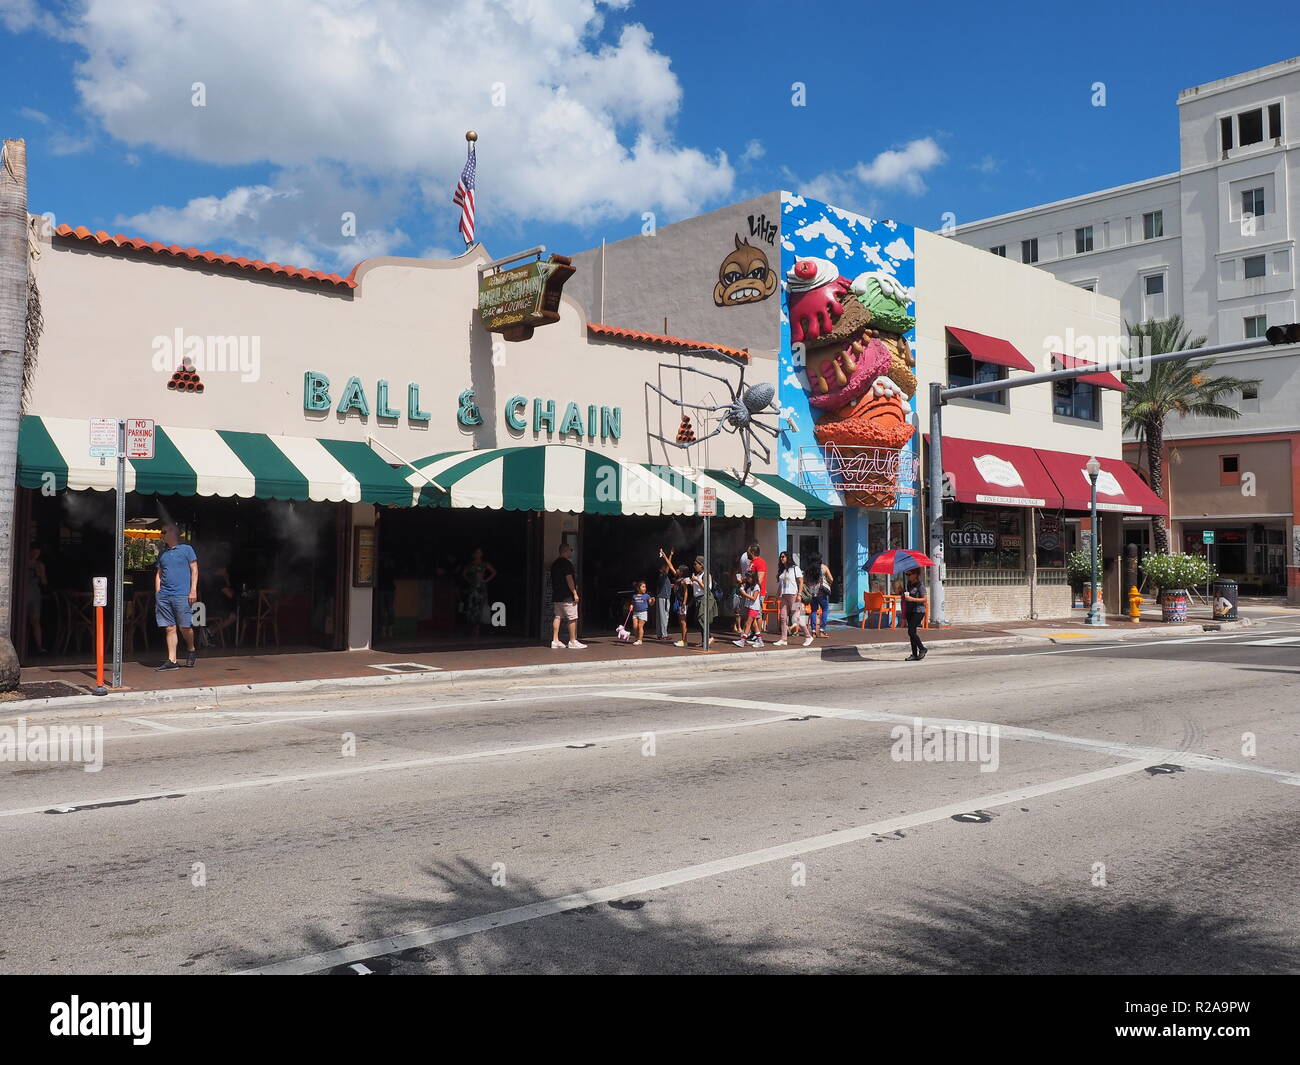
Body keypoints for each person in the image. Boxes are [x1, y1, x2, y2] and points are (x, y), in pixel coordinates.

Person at [155, 523, 199, 670]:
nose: (162, 534)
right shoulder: (163, 553)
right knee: (169, 627)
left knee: (185, 626)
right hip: (165, 595)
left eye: (164, 531)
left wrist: (193, 590)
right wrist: (158, 592)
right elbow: (159, 573)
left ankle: (191, 649)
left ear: (173, 533)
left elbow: (194, 570)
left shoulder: (187, 549)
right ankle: (172, 660)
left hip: (182, 594)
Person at [549, 542, 585, 649]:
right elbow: (569, 579)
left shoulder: (554, 564)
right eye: (571, 550)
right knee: (572, 617)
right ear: (566, 551)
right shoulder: (567, 564)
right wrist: (574, 593)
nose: (572, 552)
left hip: (557, 594)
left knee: (558, 616)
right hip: (567, 595)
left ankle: (555, 640)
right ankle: (573, 640)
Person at [462, 547, 498, 637]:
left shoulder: (484, 564)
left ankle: (478, 629)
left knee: (481, 606)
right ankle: (472, 628)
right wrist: (470, 580)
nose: (478, 554)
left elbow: (494, 572)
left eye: (480, 552)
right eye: (477, 553)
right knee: (472, 607)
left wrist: (485, 580)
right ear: (473, 555)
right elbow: (464, 573)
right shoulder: (471, 565)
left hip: (481, 587)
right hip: (473, 587)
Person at [773, 550, 804, 647]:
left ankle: (808, 636)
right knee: (782, 618)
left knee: (796, 617)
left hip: (794, 595)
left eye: (783, 556)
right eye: (781, 557)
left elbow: (801, 582)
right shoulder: (783, 570)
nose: (782, 558)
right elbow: (780, 586)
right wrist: (776, 597)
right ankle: (783, 639)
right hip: (784, 596)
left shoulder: (795, 568)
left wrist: (799, 594)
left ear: (788, 557)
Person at [804, 551, 833, 642]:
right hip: (821, 592)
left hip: (812, 593)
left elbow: (805, 580)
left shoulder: (807, 569)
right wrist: (828, 583)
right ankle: (822, 630)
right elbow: (831, 579)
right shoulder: (824, 568)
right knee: (825, 609)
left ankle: (813, 631)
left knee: (813, 610)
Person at [902, 569, 929, 661]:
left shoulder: (920, 585)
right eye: (907, 574)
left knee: (911, 631)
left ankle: (922, 648)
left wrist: (912, 599)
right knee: (912, 633)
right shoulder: (909, 584)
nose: (908, 576)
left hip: (918, 611)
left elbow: (925, 599)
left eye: (909, 574)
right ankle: (914, 654)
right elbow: (907, 597)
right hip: (910, 611)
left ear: (915, 574)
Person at [732, 571, 764, 648]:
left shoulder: (756, 587)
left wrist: (744, 594)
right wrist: (741, 588)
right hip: (749, 607)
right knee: (754, 625)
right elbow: (744, 594)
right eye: (747, 577)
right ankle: (760, 641)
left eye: (749, 578)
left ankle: (742, 641)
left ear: (753, 578)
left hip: (754, 608)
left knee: (748, 624)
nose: (748, 579)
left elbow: (754, 598)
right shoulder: (749, 586)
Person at [25, 545, 48, 654]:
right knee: (21, 620)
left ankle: (39, 647)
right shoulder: (22, 562)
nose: (34, 555)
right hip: (23, 593)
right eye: (33, 553)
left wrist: (40, 574)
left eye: (37, 554)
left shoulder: (39, 565)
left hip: (35, 594)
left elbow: (44, 583)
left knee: (35, 621)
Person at [655, 549, 677, 640]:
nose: (666, 568)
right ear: (661, 569)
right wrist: (669, 555)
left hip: (663, 597)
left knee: (661, 617)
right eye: (664, 567)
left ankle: (660, 634)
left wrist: (670, 586)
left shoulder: (663, 577)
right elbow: (669, 565)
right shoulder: (662, 575)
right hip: (663, 597)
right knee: (664, 616)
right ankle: (664, 635)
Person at [630, 580, 653, 646]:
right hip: (635, 612)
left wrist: (653, 601)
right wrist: (631, 606)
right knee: (635, 626)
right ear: (638, 588)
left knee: (640, 626)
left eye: (645, 587)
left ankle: (640, 640)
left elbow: (650, 603)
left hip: (643, 612)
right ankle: (637, 638)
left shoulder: (647, 596)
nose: (645, 588)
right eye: (643, 587)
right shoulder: (634, 596)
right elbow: (632, 603)